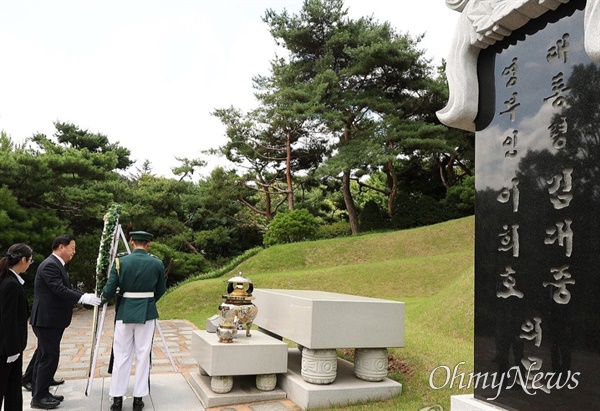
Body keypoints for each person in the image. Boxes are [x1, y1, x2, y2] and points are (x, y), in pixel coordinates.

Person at [29, 235, 102, 410]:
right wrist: (83, 297)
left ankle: (40, 390)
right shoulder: (50, 265)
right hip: (47, 320)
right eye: (72, 248)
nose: (74, 252)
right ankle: (39, 397)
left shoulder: (56, 265)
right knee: (49, 357)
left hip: (52, 320)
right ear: (61, 247)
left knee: (44, 355)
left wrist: (84, 294)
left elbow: (66, 288)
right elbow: (59, 289)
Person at [101, 231, 166, 411]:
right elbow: (161, 289)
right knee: (143, 355)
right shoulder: (157, 263)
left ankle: (117, 400)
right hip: (147, 312)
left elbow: (109, 288)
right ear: (149, 244)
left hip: (125, 312)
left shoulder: (121, 261)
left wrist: (102, 297)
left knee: (121, 355)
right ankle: (138, 399)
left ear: (131, 242)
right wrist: (148, 301)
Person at [0, 243, 34, 410]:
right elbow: (8, 320)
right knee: (6, 388)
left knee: (14, 389)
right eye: (30, 261)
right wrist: (13, 350)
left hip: (11, 348)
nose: (29, 264)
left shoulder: (9, 280)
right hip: (7, 349)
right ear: (23, 260)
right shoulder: (10, 284)